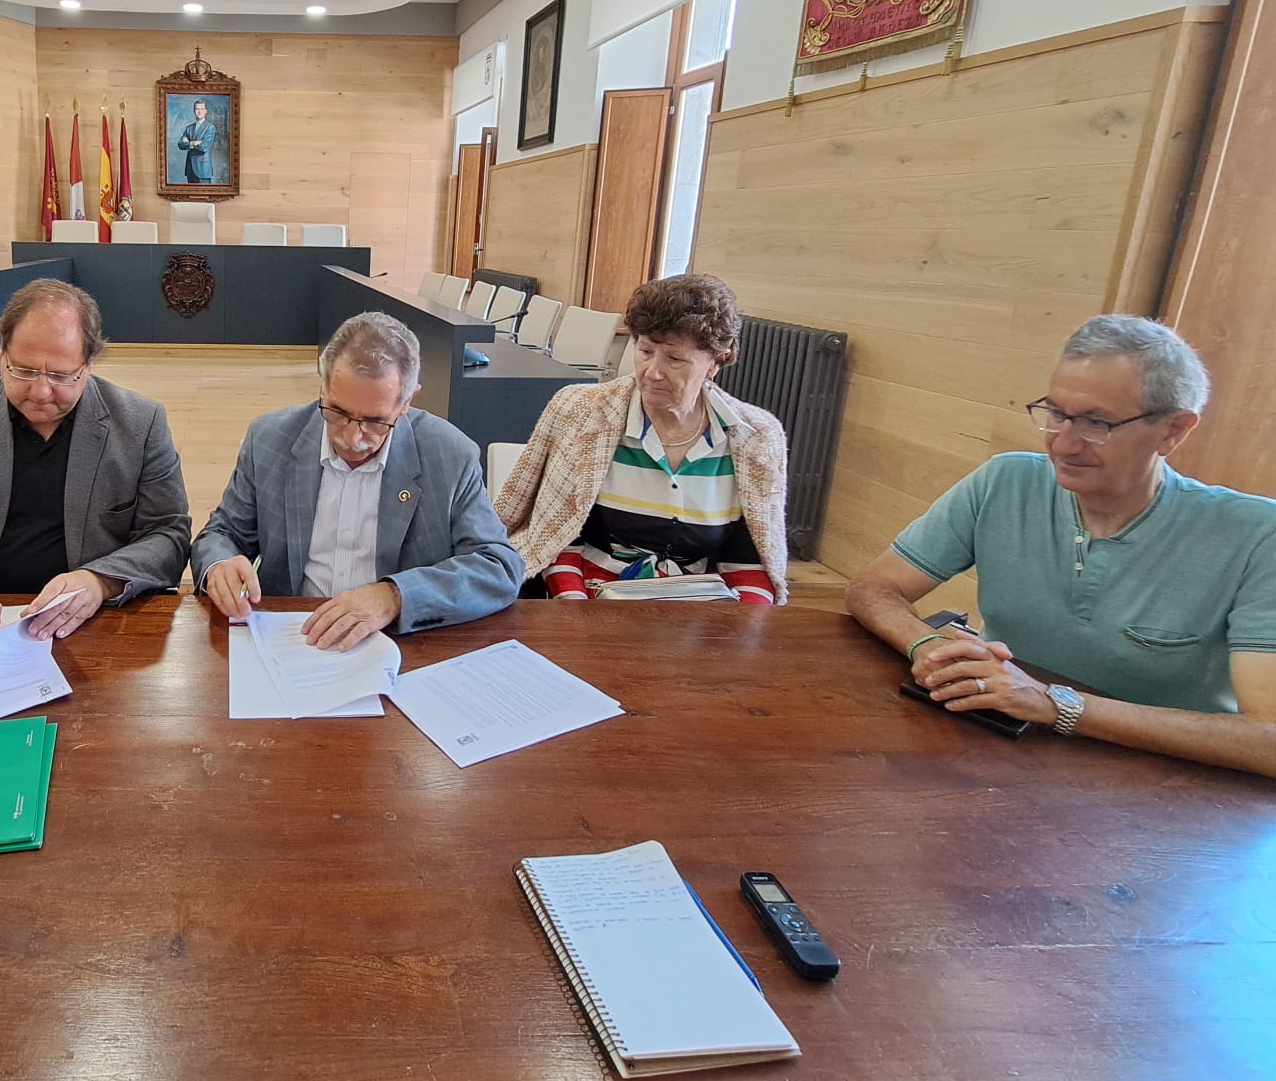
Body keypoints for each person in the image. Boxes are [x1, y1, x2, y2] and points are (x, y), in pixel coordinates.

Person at [847, 315, 1276, 780]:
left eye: (1097, 422)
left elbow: (1268, 739)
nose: (1064, 443)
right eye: (1056, 413)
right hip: (998, 759)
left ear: (1174, 430)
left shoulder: (1257, 535)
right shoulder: (1005, 481)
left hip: (1165, 796)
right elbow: (872, 588)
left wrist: (1057, 705)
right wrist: (926, 644)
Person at [0, 279, 190, 640]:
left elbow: (169, 535)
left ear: (89, 365)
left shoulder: (140, 424)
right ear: (1, 355)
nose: (40, 392)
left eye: (60, 375)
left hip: (96, 623)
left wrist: (98, 581)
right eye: (23, 370)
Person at [193, 312, 523, 649]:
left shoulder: (449, 455)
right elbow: (222, 534)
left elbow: (498, 568)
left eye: (376, 422)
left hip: (396, 643)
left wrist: (395, 596)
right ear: (323, 386)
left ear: (406, 403)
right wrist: (220, 565)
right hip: (291, 637)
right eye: (337, 412)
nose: (352, 438)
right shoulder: (269, 439)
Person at [495, 273, 788, 603]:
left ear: (716, 362)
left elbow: (748, 560)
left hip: (696, 610)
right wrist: (573, 612)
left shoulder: (756, 437)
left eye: (675, 359)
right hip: (587, 594)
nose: (653, 371)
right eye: (645, 351)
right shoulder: (579, 412)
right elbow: (555, 537)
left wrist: (744, 632)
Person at [177, 97, 217, 184]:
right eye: (197, 109)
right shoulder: (189, 128)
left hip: (203, 170)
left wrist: (188, 143)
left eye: (202, 109)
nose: (199, 111)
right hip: (190, 169)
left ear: (205, 111)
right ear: (194, 111)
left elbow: (204, 147)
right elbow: (180, 145)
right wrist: (194, 143)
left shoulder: (210, 127)